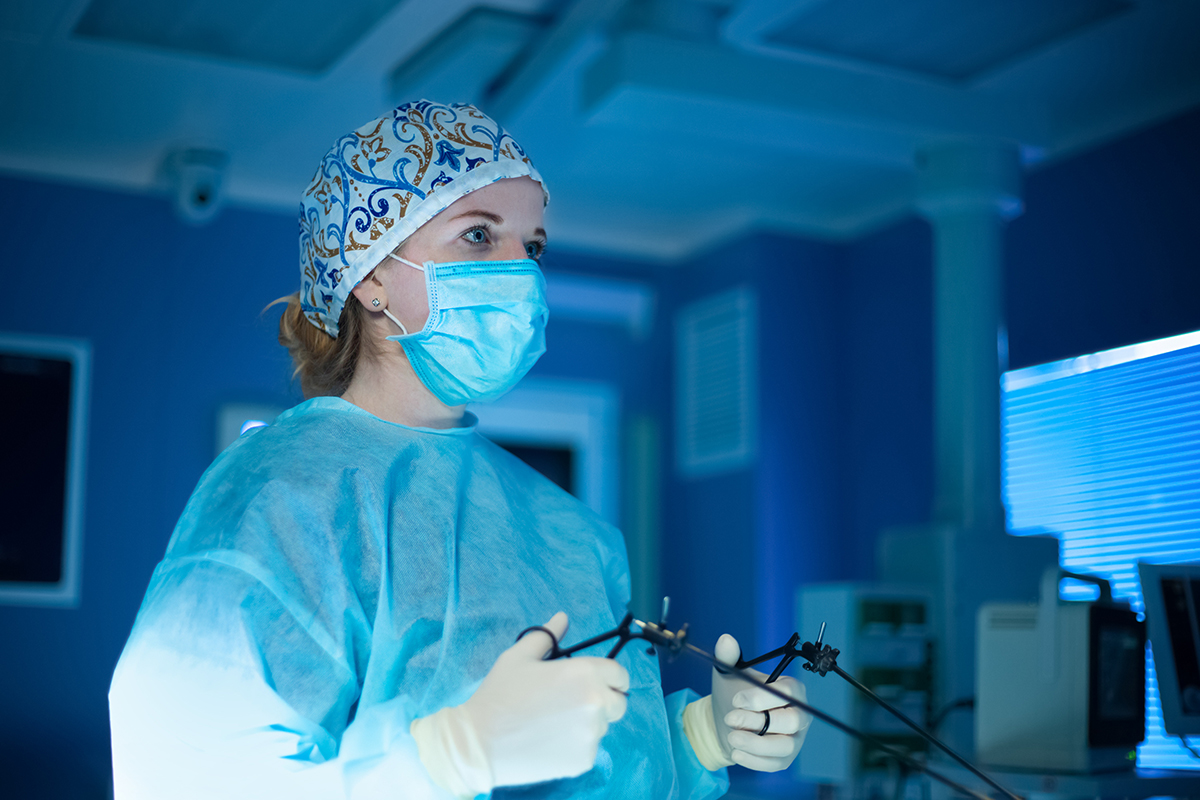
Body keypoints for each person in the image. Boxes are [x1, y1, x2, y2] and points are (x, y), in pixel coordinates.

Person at [109, 100, 811, 799]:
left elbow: (607, 770)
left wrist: (699, 739)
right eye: (479, 235)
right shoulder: (280, 496)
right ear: (373, 275)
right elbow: (190, 769)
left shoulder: (571, 530)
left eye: (532, 246)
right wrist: (447, 760)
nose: (522, 272)